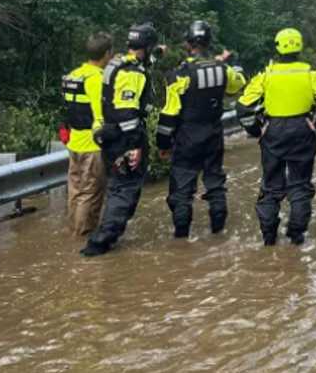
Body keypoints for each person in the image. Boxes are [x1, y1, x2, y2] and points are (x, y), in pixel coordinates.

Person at [237, 28, 316, 246]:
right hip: (303, 129)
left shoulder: (267, 74)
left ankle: (269, 237)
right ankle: (296, 237)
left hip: (273, 131)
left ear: (277, 47)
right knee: (300, 185)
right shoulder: (311, 72)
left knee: (271, 186)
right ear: (299, 47)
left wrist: (256, 130)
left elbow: (243, 106)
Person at [156, 21, 246, 238]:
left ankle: (181, 239)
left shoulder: (179, 75)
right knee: (215, 182)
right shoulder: (223, 70)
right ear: (208, 43)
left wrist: (163, 144)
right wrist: (231, 64)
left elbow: (169, 114)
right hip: (214, 134)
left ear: (188, 43)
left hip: (187, 136)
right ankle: (218, 232)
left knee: (182, 190)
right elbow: (238, 84)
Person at [81, 23, 160, 257]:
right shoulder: (132, 73)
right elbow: (127, 111)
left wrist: (156, 54)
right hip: (125, 139)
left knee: (118, 188)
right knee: (124, 190)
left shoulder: (117, 63)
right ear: (146, 47)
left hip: (110, 136)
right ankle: (100, 243)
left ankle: (105, 238)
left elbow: (144, 63)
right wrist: (135, 146)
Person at [59, 32, 113, 236]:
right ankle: (83, 237)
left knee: (75, 191)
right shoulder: (97, 79)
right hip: (92, 146)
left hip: (74, 143)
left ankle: (73, 229)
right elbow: (99, 116)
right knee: (90, 193)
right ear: (107, 53)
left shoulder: (73, 75)